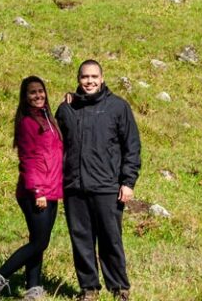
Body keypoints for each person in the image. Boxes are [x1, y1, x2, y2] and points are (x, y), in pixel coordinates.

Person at [56, 59, 141, 301]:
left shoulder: (118, 107)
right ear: (78, 79)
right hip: (75, 187)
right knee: (81, 240)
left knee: (110, 240)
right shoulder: (67, 109)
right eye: (85, 77)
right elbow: (54, 144)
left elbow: (131, 146)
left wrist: (128, 182)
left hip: (107, 187)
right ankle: (89, 289)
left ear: (102, 79)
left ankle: (120, 289)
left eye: (94, 77)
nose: (89, 81)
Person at [0, 75, 63, 301]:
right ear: (25, 97)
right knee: (39, 242)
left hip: (52, 189)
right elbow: (28, 158)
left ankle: (33, 288)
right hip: (36, 192)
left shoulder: (47, 118)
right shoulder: (28, 122)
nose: (38, 95)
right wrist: (38, 191)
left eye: (40, 91)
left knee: (39, 240)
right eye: (32, 92)